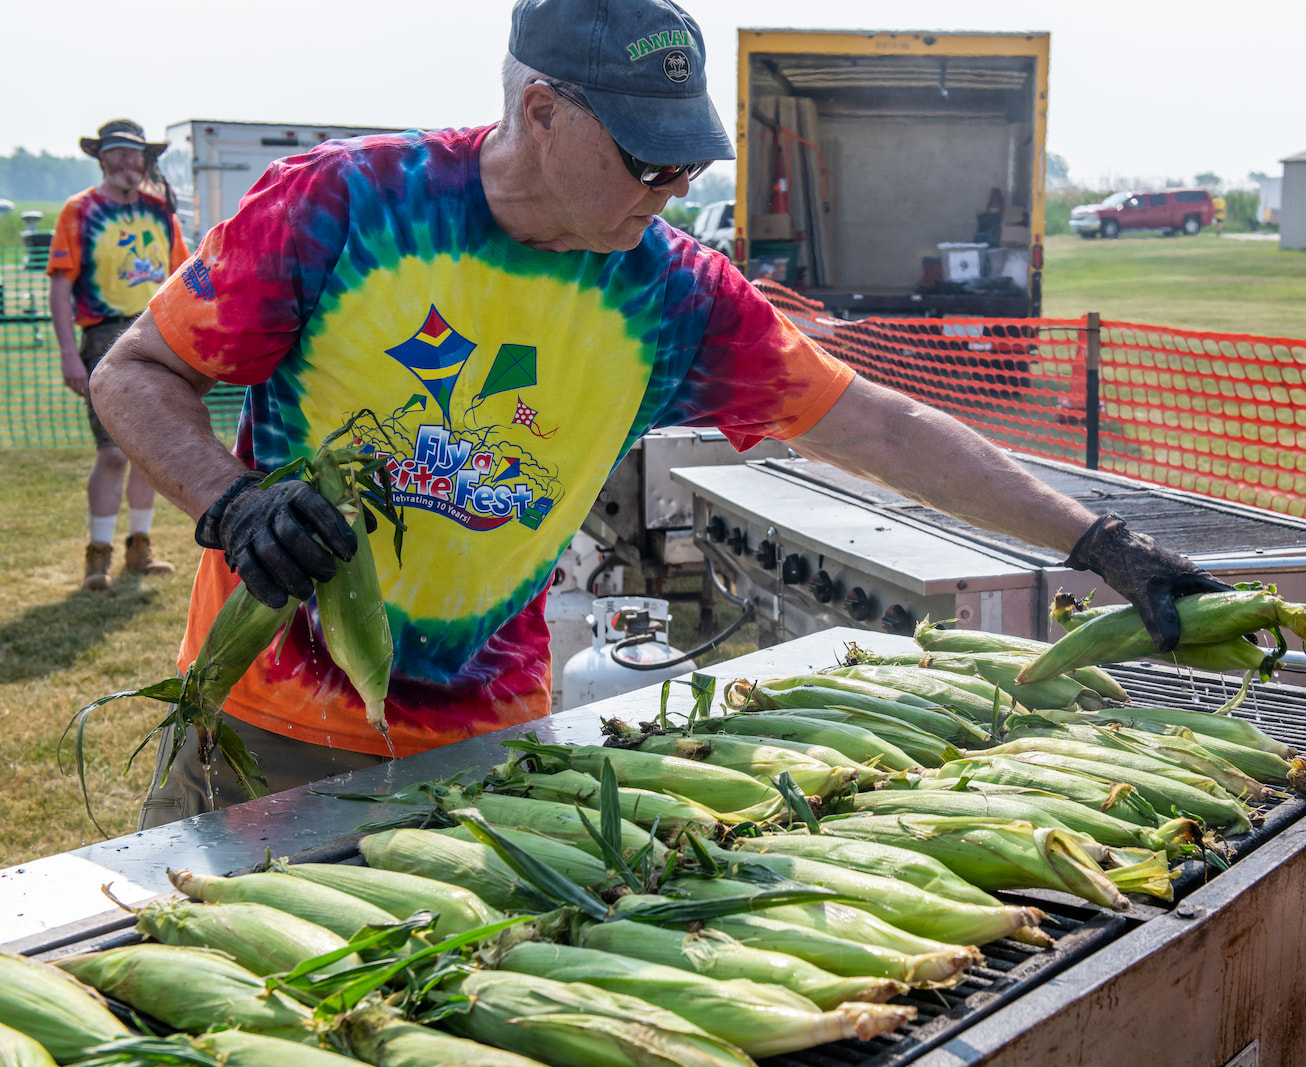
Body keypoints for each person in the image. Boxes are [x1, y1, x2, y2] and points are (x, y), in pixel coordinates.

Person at [94, 0, 1229, 829]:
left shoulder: (674, 288)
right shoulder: (344, 204)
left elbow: (876, 426)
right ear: (541, 111)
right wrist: (233, 500)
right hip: (267, 723)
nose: (670, 186)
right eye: (647, 157)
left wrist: (1101, 543)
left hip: (495, 738)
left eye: (689, 161)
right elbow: (135, 373)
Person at [49, 119, 187, 590]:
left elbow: (182, 279)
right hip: (102, 333)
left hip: (155, 332)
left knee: (146, 450)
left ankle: (140, 549)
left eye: (138, 154)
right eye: (120, 153)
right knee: (111, 453)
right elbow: (59, 284)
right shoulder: (80, 210)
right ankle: (98, 556)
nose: (130, 162)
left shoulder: (160, 212)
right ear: (102, 157)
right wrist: (70, 355)